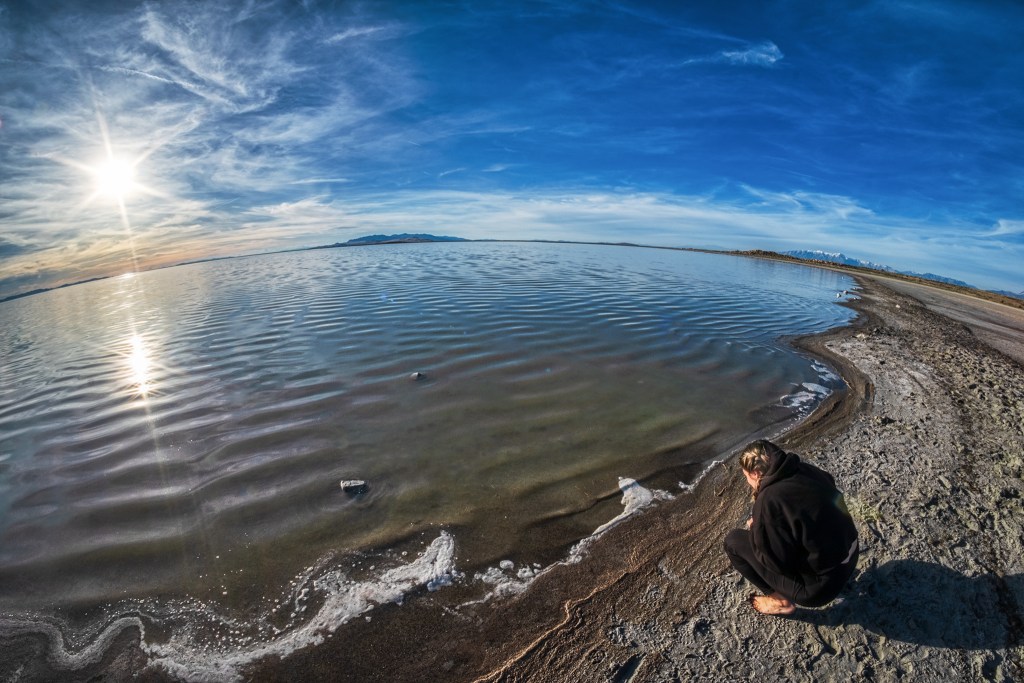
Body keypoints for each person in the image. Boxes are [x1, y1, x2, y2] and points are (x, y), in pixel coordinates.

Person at [723, 439, 859, 615]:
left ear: (756, 473)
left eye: (746, 476)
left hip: (820, 589)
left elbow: (776, 563)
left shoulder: (769, 500)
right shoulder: (809, 471)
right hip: (852, 553)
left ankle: (779, 600)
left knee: (733, 541)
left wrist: (757, 531)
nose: (748, 482)